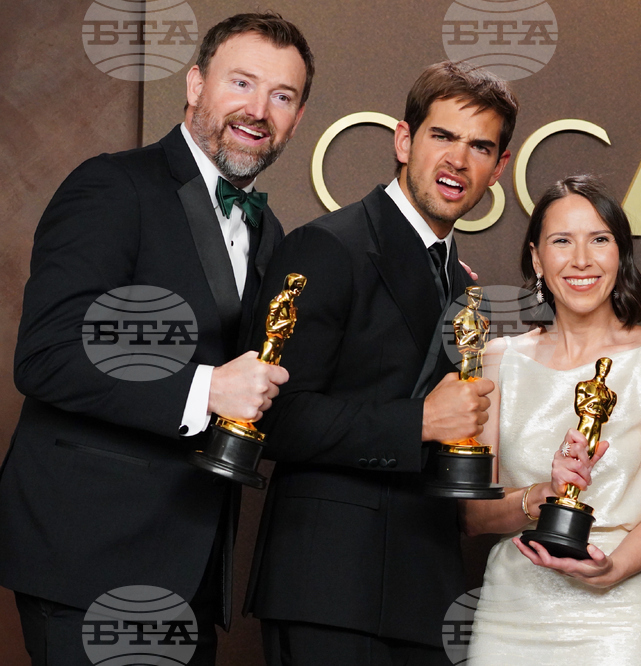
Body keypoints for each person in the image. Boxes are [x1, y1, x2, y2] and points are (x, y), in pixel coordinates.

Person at [0, 12, 313, 665]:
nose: (258, 110)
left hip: (188, 571)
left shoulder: (271, 233)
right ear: (196, 84)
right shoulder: (112, 186)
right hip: (88, 561)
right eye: (242, 83)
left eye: (281, 96)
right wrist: (207, 388)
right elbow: (47, 354)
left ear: (298, 118)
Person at [242, 61, 519, 666]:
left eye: (479, 147)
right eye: (442, 136)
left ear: (498, 169)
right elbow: (272, 417)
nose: (457, 161)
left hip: (423, 593)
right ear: (403, 139)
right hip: (329, 588)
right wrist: (418, 421)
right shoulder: (327, 247)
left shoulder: (459, 282)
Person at [463, 175, 641, 665]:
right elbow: (475, 515)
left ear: (620, 255)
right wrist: (542, 494)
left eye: (599, 240)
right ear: (537, 258)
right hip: (512, 612)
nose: (581, 259)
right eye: (561, 241)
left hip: (620, 614)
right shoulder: (499, 359)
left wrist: (613, 569)